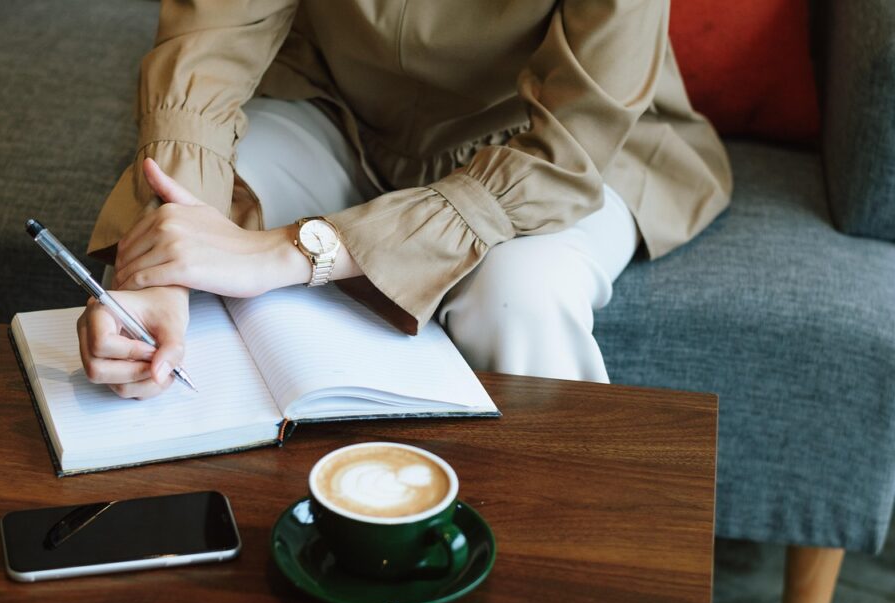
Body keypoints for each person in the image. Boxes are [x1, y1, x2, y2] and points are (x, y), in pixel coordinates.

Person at [78, 0, 731, 400]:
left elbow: (566, 151)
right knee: (175, 236)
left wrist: (299, 250)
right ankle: (168, 544)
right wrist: (167, 260)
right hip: (340, 111)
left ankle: (567, 590)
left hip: (552, 146)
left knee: (517, 296)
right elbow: (208, 47)